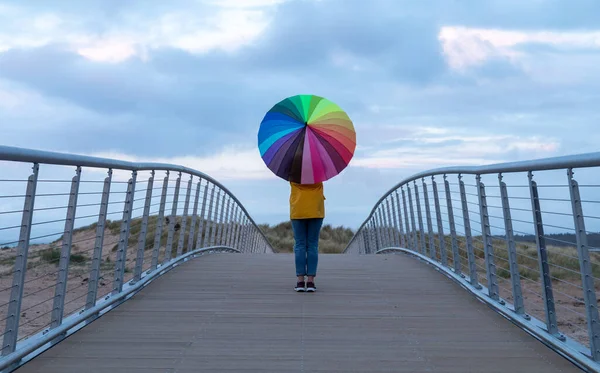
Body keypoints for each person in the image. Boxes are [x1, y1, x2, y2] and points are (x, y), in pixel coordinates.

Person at [289, 181, 325, 292]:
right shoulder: (318, 170)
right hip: (316, 210)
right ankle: (310, 281)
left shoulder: (293, 169)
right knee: (312, 245)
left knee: (300, 244)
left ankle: (300, 281)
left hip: (298, 210)